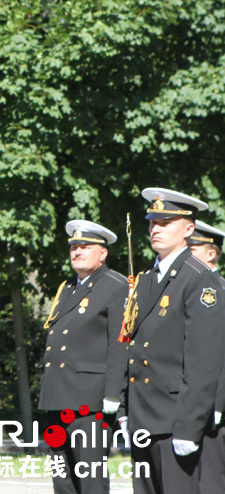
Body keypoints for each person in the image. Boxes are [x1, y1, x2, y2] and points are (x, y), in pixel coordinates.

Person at [119, 188, 225, 494]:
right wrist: (126, 410)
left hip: (174, 419)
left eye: (166, 222)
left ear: (188, 229)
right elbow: (135, 347)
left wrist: (189, 427)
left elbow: (203, 360)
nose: (155, 228)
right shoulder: (147, 279)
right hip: (143, 417)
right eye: (153, 221)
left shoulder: (199, 279)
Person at [38, 220, 129, 494]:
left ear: (102, 253)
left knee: (90, 481)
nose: (77, 251)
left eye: (85, 247)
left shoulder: (116, 286)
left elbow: (120, 345)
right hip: (58, 397)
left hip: (90, 402)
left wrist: (114, 395)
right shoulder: (67, 287)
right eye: (74, 247)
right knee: (62, 479)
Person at [191, 220, 225, 494]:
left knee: (210, 482)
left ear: (211, 253)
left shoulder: (216, 290)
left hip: (213, 403)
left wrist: (218, 402)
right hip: (184, 402)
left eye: (191, 247)